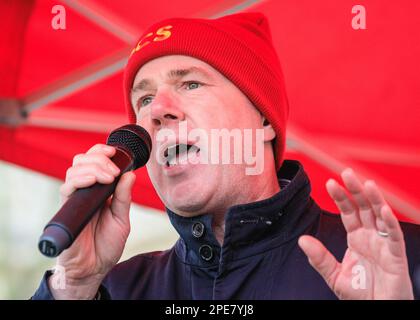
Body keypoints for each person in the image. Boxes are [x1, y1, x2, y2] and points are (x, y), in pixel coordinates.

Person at [32, 12, 420, 300]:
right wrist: (73, 286)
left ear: (264, 118)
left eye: (191, 83)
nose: (156, 111)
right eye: (144, 99)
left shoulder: (403, 260)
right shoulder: (114, 290)